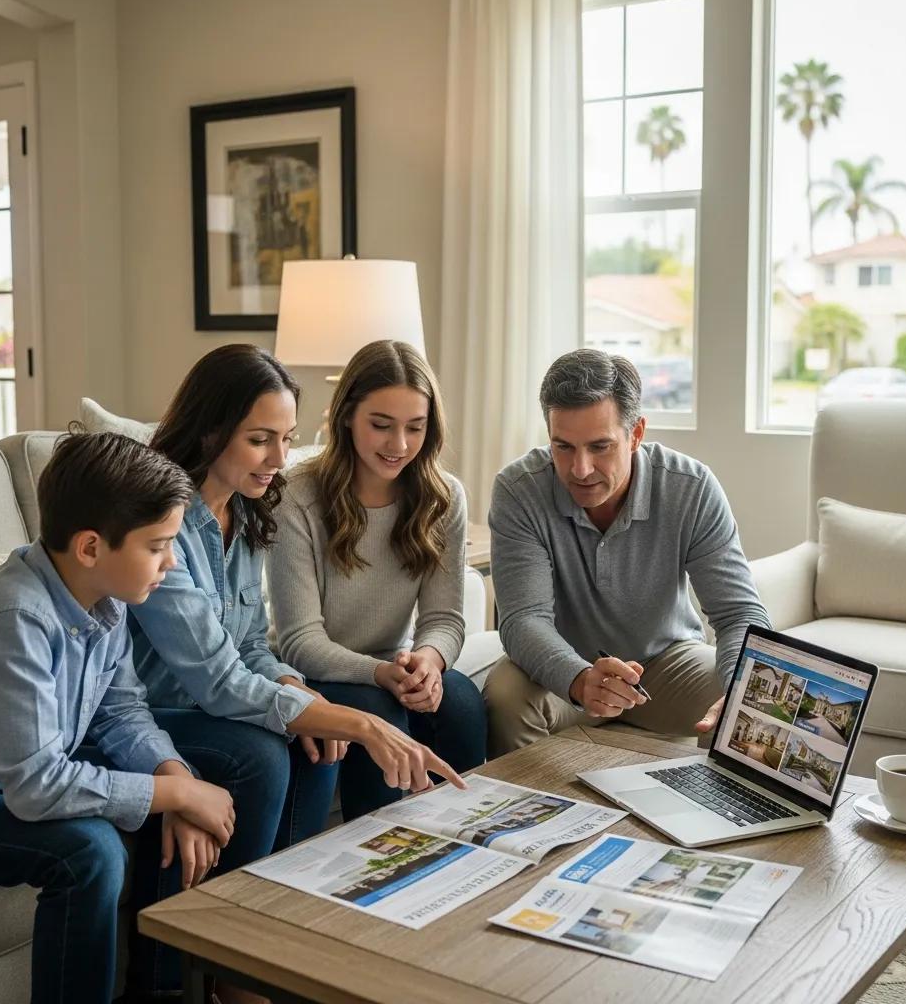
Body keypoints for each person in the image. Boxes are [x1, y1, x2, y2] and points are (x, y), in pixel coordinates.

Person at [129, 344, 465, 851]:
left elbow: (250, 646)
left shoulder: (245, 513)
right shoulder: (160, 527)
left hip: (217, 699)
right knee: (273, 748)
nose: (280, 459)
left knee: (339, 732)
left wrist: (296, 688)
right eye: (260, 440)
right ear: (210, 430)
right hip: (160, 709)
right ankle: (268, 901)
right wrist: (353, 720)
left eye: (285, 439)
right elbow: (221, 677)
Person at [0, 430, 239, 1004]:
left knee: (216, 763)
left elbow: (120, 711)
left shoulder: (107, 598)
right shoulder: (16, 616)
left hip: (25, 775)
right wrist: (175, 797)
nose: (172, 562)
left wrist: (172, 773)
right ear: (92, 546)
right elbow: (37, 786)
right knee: (90, 850)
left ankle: (167, 988)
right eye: (158, 545)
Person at [483, 348, 771, 757]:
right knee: (507, 693)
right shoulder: (519, 490)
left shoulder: (690, 487)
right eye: (563, 447)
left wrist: (745, 692)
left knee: (738, 699)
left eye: (600, 447)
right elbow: (523, 620)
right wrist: (580, 678)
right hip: (567, 668)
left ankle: (712, 816)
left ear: (636, 434)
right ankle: (536, 816)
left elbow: (738, 613)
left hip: (668, 662)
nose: (580, 469)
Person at [268, 339, 487, 820]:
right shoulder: (295, 497)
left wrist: (429, 661)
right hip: (320, 671)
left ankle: (472, 837)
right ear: (347, 416)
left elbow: (445, 617)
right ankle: (372, 854)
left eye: (415, 427)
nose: (400, 445)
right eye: (381, 425)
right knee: (378, 709)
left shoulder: (443, 497)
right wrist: (380, 673)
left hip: (396, 664)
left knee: (463, 702)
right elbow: (299, 640)